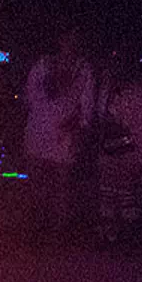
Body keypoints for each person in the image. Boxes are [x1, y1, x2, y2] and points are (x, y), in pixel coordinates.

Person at [23, 27, 96, 240]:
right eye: (67, 39)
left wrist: (81, 125)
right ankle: (37, 225)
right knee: (38, 179)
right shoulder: (43, 65)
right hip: (39, 129)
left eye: (75, 40)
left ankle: (61, 228)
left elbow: (87, 102)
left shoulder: (83, 69)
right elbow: (30, 94)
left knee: (62, 182)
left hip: (65, 132)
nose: (70, 44)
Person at [94, 60, 142, 245]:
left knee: (114, 191)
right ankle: (128, 234)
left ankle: (115, 234)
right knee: (129, 192)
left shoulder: (122, 95)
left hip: (125, 150)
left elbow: (111, 120)